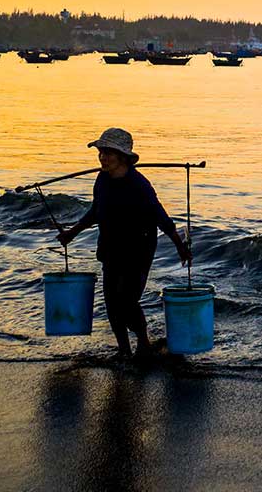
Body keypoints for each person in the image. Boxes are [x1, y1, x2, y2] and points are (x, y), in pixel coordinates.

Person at [56, 127, 192, 358]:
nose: (102, 157)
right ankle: (123, 350)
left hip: (139, 248)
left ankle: (144, 343)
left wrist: (180, 246)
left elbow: (160, 217)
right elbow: (96, 211)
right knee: (111, 302)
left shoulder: (139, 185)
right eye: (101, 152)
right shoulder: (102, 180)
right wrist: (72, 232)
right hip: (110, 247)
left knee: (127, 300)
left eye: (108, 153)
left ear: (122, 157)